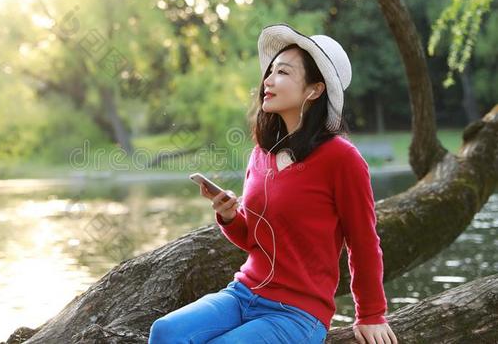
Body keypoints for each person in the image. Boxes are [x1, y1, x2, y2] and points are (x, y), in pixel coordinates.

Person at [148, 23, 398, 344]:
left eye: (283, 72)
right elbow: (256, 238)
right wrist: (228, 216)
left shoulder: (341, 158)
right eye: (270, 70)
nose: (268, 80)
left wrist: (371, 314)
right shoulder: (262, 153)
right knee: (165, 331)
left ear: (314, 90)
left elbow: (364, 243)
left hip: (297, 313)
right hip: (244, 294)